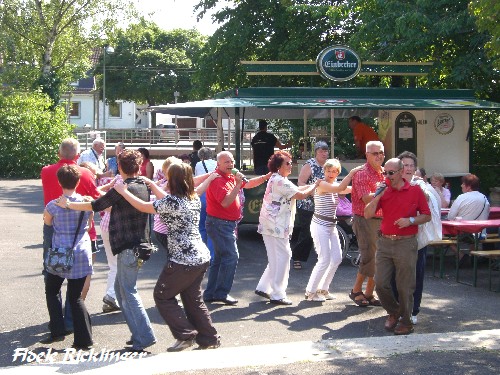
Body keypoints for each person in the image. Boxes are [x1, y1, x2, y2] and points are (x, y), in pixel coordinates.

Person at [56, 149, 156, 352]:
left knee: (127, 292)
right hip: (136, 246)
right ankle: (139, 334)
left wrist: (69, 204)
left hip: (130, 248)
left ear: (120, 167)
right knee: (121, 291)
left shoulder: (122, 189)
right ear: (139, 167)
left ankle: (144, 336)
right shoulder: (141, 185)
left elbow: (95, 205)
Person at [114, 163, 221, 352]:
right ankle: (209, 338)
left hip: (183, 259)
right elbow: (168, 199)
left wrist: (123, 192)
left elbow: (144, 207)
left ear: (172, 180)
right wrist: (152, 185)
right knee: (193, 299)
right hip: (201, 256)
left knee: (162, 296)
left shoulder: (171, 203)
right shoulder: (192, 198)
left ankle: (186, 334)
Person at [365, 158, 431, 335]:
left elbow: (426, 216)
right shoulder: (384, 189)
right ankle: (395, 312)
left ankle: (407, 322)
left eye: (391, 173)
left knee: (405, 286)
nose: (387, 176)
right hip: (385, 242)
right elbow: (367, 214)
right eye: (385, 173)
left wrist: (410, 220)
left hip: (406, 242)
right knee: (380, 283)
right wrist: (377, 195)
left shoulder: (415, 191)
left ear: (402, 172)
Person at [40, 138, 100, 333]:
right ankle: (71, 319)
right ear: (78, 155)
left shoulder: (47, 171)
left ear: (59, 153)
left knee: (53, 273)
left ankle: (56, 322)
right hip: (80, 231)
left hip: (53, 225)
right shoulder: (86, 174)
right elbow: (96, 200)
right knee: (77, 277)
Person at [203, 151, 270, 305]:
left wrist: (265, 177)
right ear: (218, 164)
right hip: (219, 223)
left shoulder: (232, 176)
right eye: (226, 162)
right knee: (231, 257)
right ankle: (221, 293)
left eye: (232, 161)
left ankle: (211, 293)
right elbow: (226, 202)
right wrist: (238, 184)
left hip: (225, 223)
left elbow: (249, 184)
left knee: (220, 259)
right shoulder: (217, 179)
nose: (230, 164)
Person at [255, 151, 319, 305]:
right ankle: (277, 293)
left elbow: (298, 190)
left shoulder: (278, 178)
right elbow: (300, 195)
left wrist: (313, 185)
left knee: (276, 257)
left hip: (270, 224)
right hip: (276, 225)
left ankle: (264, 287)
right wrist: (316, 185)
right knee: (283, 257)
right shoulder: (280, 181)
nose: (291, 166)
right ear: (278, 166)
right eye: (288, 163)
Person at [42, 164, 93, 349]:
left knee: (52, 289)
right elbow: (89, 221)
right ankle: (84, 339)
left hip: (60, 253)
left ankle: (57, 330)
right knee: (76, 297)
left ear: (59, 182)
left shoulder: (53, 206)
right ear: (78, 182)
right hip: (81, 252)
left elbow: (47, 222)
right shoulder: (86, 203)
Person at [305, 160, 362, 302]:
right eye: (328, 171)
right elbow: (340, 189)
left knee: (336, 259)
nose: (330, 174)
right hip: (320, 226)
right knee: (324, 259)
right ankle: (310, 292)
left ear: (337, 173)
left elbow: (347, 189)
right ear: (324, 172)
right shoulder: (322, 184)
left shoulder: (335, 185)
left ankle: (323, 289)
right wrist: (351, 174)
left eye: (334, 171)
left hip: (331, 226)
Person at [396, 152, 442, 325]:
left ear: (415, 168)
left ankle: (413, 310)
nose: (407, 168)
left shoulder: (422, 187)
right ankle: (399, 308)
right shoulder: (393, 184)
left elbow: (431, 208)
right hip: (395, 239)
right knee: (395, 277)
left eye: (410, 165)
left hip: (417, 239)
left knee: (416, 276)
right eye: (404, 165)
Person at [348, 140, 385, 307]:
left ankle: (369, 292)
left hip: (381, 219)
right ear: (367, 155)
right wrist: (387, 192)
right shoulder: (362, 173)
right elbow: (366, 198)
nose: (379, 156)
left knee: (378, 257)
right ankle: (356, 290)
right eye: (375, 153)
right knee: (369, 256)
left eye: (381, 153)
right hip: (365, 219)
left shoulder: (384, 173)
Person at [291, 141, 329, 270]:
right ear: (316, 152)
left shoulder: (329, 165)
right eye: (321, 151)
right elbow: (300, 183)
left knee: (324, 232)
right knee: (307, 232)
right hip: (308, 204)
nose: (324, 153)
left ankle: (324, 259)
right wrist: (312, 191)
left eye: (326, 151)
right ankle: (297, 257)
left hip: (324, 204)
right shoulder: (310, 165)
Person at [194, 147, 217, 259]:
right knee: (212, 226)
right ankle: (212, 254)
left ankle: (202, 253)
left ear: (201, 156)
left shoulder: (199, 164)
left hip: (202, 195)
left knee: (201, 225)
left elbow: (196, 180)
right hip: (214, 195)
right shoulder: (217, 163)